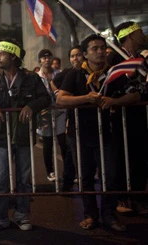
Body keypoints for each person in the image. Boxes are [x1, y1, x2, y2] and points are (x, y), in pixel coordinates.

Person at [57, 34, 141, 232]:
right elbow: (61, 100)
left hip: (107, 134)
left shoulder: (115, 75)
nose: (100, 52)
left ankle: (109, 214)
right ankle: (90, 215)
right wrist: (86, 98)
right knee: (85, 177)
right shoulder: (75, 75)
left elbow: (135, 94)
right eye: (95, 48)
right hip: (78, 134)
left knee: (110, 176)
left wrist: (115, 102)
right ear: (85, 54)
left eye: (103, 48)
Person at [0, 39, 51, 232]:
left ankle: (22, 216)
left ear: (13, 56)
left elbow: (46, 98)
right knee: (0, 180)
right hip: (1, 137)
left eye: (1, 53)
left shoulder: (30, 78)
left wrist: (31, 106)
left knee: (23, 179)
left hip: (23, 136)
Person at [107, 21, 148, 215]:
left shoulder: (140, 58)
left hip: (140, 118)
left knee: (140, 158)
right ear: (130, 36)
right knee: (122, 158)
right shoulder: (115, 58)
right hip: (121, 119)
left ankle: (139, 198)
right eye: (139, 32)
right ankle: (122, 197)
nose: (143, 35)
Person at [51, 46, 84, 192]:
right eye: (72, 56)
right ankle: (69, 182)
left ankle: (70, 181)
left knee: (75, 154)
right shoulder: (68, 73)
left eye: (78, 55)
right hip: (73, 118)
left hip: (90, 120)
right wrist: (59, 93)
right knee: (72, 152)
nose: (75, 59)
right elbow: (54, 82)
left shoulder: (89, 72)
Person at [35, 49, 66, 182]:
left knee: (64, 143)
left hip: (60, 112)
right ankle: (50, 171)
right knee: (47, 144)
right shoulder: (36, 77)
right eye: (43, 58)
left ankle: (69, 170)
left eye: (48, 57)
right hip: (45, 114)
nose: (46, 60)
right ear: (40, 61)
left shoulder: (59, 74)